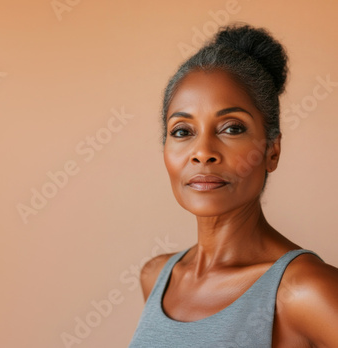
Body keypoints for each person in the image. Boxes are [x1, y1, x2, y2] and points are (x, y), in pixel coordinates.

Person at [128, 23, 338, 347]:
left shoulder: (305, 289)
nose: (203, 153)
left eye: (232, 128)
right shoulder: (156, 277)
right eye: (183, 131)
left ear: (272, 151)